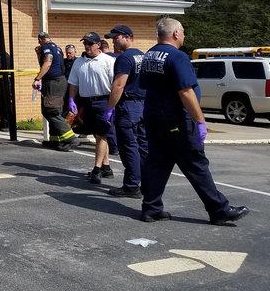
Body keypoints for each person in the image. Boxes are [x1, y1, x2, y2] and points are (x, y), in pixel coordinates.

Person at [139, 18, 248, 225]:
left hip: (154, 118)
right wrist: (200, 121)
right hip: (176, 120)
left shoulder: (149, 55)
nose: (184, 36)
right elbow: (186, 91)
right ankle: (219, 210)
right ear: (176, 34)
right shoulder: (178, 57)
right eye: (183, 32)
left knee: (158, 163)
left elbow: (145, 85)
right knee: (196, 164)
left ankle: (151, 209)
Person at [67, 32, 116, 184]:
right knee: (97, 134)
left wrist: (112, 106)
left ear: (98, 45)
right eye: (85, 43)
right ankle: (106, 166)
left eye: (90, 43)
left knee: (101, 135)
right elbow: (73, 83)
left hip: (103, 101)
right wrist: (71, 99)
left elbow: (115, 84)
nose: (87, 46)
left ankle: (97, 169)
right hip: (86, 102)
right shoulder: (78, 62)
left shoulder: (108, 61)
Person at [104, 25, 146, 198]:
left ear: (128, 37)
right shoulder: (143, 56)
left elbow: (119, 85)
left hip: (128, 106)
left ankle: (131, 186)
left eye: (116, 37)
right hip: (143, 105)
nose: (113, 40)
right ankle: (146, 182)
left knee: (129, 147)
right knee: (144, 146)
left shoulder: (125, 58)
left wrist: (110, 108)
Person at [32, 32, 79, 151]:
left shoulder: (46, 47)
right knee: (53, 110)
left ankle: (70, 138)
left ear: (41, 39)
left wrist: (38, 79)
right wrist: (38, 54)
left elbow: (47, 62)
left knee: (51, 112)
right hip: (59, 82)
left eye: (39, 41)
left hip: (53, 82)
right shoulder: (57, 48)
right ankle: (55, 140)